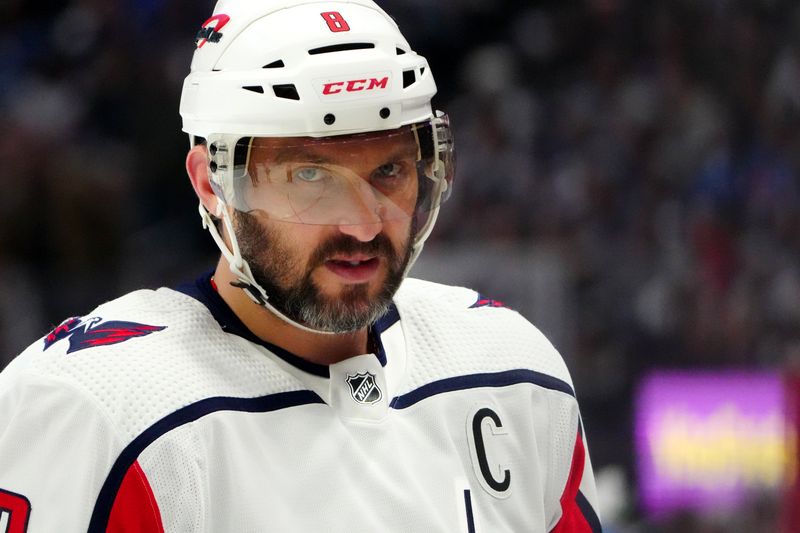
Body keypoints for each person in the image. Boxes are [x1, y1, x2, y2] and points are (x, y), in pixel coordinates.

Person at [0, 0, 601, 531]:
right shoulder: (98, 411)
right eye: (310, 177)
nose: (364, 225)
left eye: (388, 171)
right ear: (213, 184)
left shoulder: (515, 371)